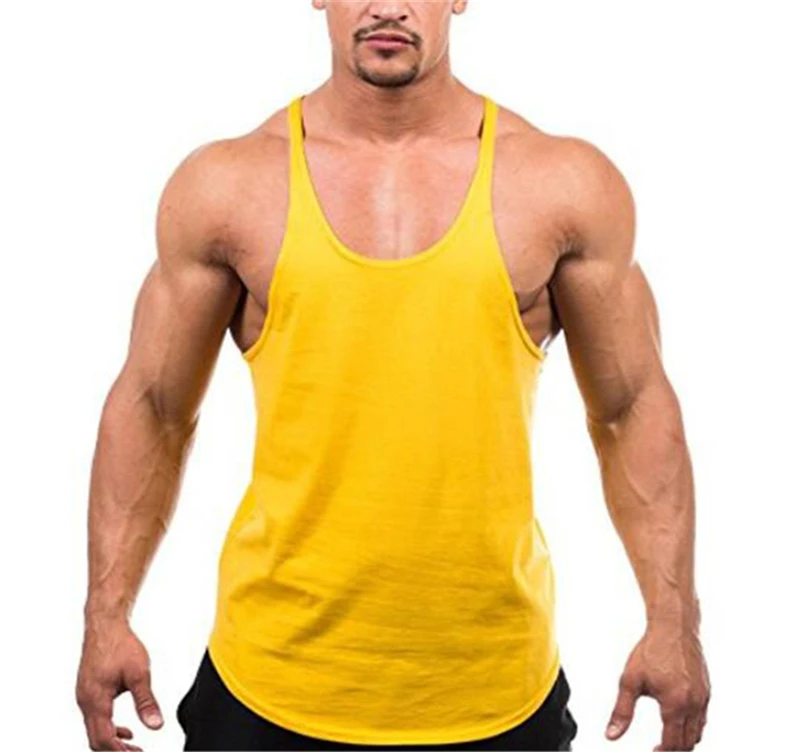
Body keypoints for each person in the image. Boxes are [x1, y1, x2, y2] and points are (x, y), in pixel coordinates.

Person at [75, 2, 711, 751]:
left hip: (497, 689)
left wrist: (674, 622)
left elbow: (631, 407)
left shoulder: (559, 184)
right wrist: (106, 617)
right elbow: (153, 406)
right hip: (269, 685)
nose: (386, 6)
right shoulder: (229, 186)